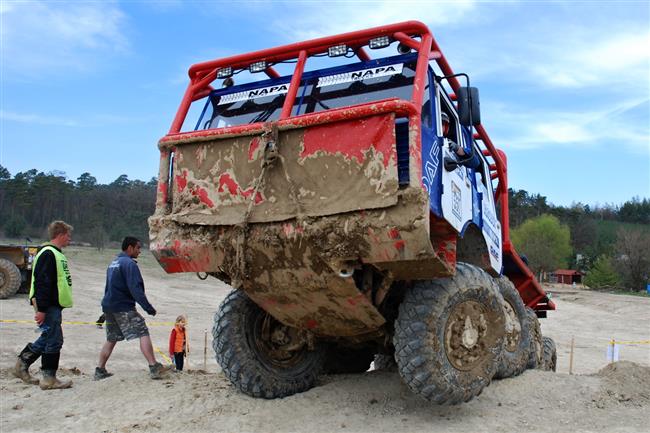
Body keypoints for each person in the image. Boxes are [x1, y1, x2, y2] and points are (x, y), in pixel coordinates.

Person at [94, 236, 170, 380]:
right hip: (123, 306)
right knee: (142, 331)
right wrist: (148, 308)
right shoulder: (129, 264)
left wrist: (105, 310)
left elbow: (107, 287)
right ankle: (154, 366)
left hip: (109, 306)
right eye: (138, 248)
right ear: (130, 248)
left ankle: (100, 370)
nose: (140, 251)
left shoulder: (113, 263)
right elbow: (135, 289)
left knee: (111, 338)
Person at [13, 220, 74, 390]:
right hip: (49, 306)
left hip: (53, 305)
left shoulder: (54, 253)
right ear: (60, 235)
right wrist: (41, 310)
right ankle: (49, 378)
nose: (70, 239)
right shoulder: (48, 253)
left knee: (48, 336)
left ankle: (22, 364)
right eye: (68, 235)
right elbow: (42, 283)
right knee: (54, 340)